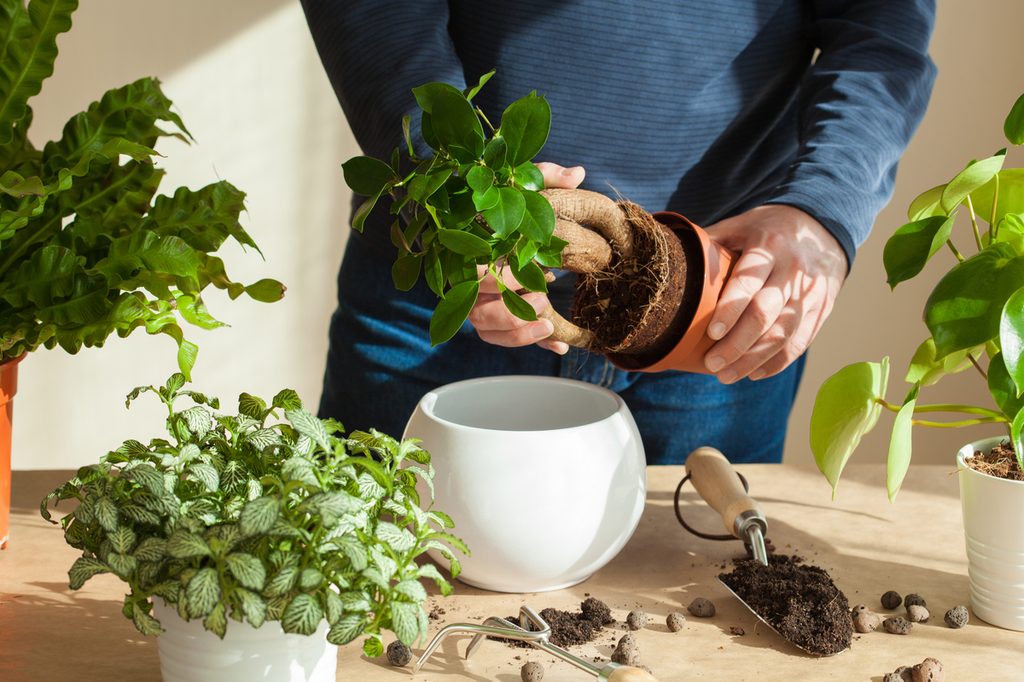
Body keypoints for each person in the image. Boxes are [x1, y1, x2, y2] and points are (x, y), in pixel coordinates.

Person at [299, 1, 937, 464]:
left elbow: (881, 29)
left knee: (695, 620)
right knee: (369, 606)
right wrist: (452, 185)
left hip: (722, 312)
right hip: (444, 290)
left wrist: (821, 209)